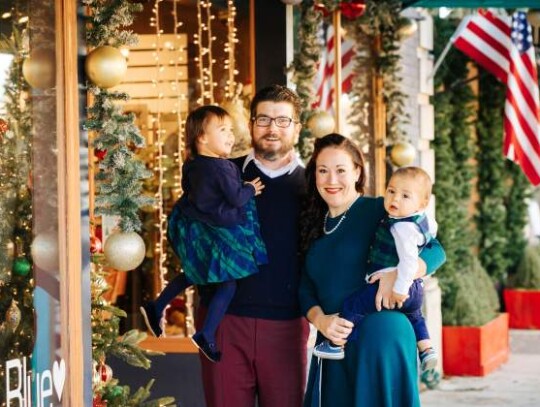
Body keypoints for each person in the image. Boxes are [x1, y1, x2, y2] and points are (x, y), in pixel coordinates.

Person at [299, 133, 446, 407]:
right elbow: (305, 286)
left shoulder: (383, 208)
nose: (332, 180)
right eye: (323, 171)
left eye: (341, 170)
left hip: (381, 338)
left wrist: (401, 273)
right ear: (314, 176)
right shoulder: (311, 223)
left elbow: (437, 250)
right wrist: (320, 321)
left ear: (357, 171)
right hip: (334, 341)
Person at [196, 85, 310, 407]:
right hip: (223, 323)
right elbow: (186, 231)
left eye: (283, 120)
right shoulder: (220, 174)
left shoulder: (314, 185)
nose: (272, 127)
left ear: (296, 129)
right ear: (250, 125)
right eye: (264, 119)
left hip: (287, 325)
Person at [140, 105, 267, 363]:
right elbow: (235, 198)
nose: (231, 136)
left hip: (199, 228)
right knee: (228, 283)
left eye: (231, 130)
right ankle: (206, 333)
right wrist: (250, 189)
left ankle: (157, 305)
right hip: (218, 230)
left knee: (193, 274)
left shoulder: (194, 165)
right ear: (202, 137)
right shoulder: (220, 168)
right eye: (223, 130)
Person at [313, 166, 439, 377]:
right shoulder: (421, 220)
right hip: (416, 290)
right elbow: (430, 234)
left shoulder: (401, 226)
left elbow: (417, 258)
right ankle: (426, 350)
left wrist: (398, 283)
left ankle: (337, 342)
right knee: (416, 316)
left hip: (397, 287)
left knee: (354, 304)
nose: (395, 199)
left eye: (405, 195)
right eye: (391, 191)